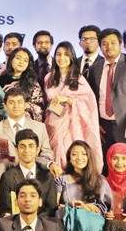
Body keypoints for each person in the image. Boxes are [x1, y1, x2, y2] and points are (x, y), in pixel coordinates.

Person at [85, 28, 126, 169]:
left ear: (121, 44)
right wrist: (94, 124)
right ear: (100, 46)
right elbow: (90, 100)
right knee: (106, 172)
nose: (109, 47)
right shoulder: (94, 69)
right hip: (103, 130)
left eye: (113, 42)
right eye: (104, 43)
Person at [43, 40, 101, 172]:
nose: (61, 58)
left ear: (71, 57)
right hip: (53, 124)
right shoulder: (48, 78)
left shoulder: (78, 78)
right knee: (52, 157)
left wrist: (68, 100)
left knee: (69, 156)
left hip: (72, 126)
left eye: (65, 54)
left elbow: (89, 102)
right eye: (58, 54)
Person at [0, 87, 60, 175]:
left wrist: (47, 164)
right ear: (5, 106)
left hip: (34, 175)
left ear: (26, 105)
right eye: (11, 102)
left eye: (19, 102)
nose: (15, 106)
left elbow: (47, 153)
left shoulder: (39, 127)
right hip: (6, 176)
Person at [0, 128, 58, 217]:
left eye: (31, 146)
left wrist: (33, 222)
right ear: (16, 149)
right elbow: (6, 209)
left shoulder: (47, 175)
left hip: (43, 225)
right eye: (22, 146)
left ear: (37, 150)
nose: (26, 151)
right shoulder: (8, 177)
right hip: (17, 225)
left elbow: (51, 209)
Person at [0, 47, 45, 121]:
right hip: (5, 121)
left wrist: (25, 106)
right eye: (18, 58)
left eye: (25, 60)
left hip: (26, 123)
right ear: (11, 60)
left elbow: (40, 108)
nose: (21, 62)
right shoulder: (0, 81)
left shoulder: (33, 83)